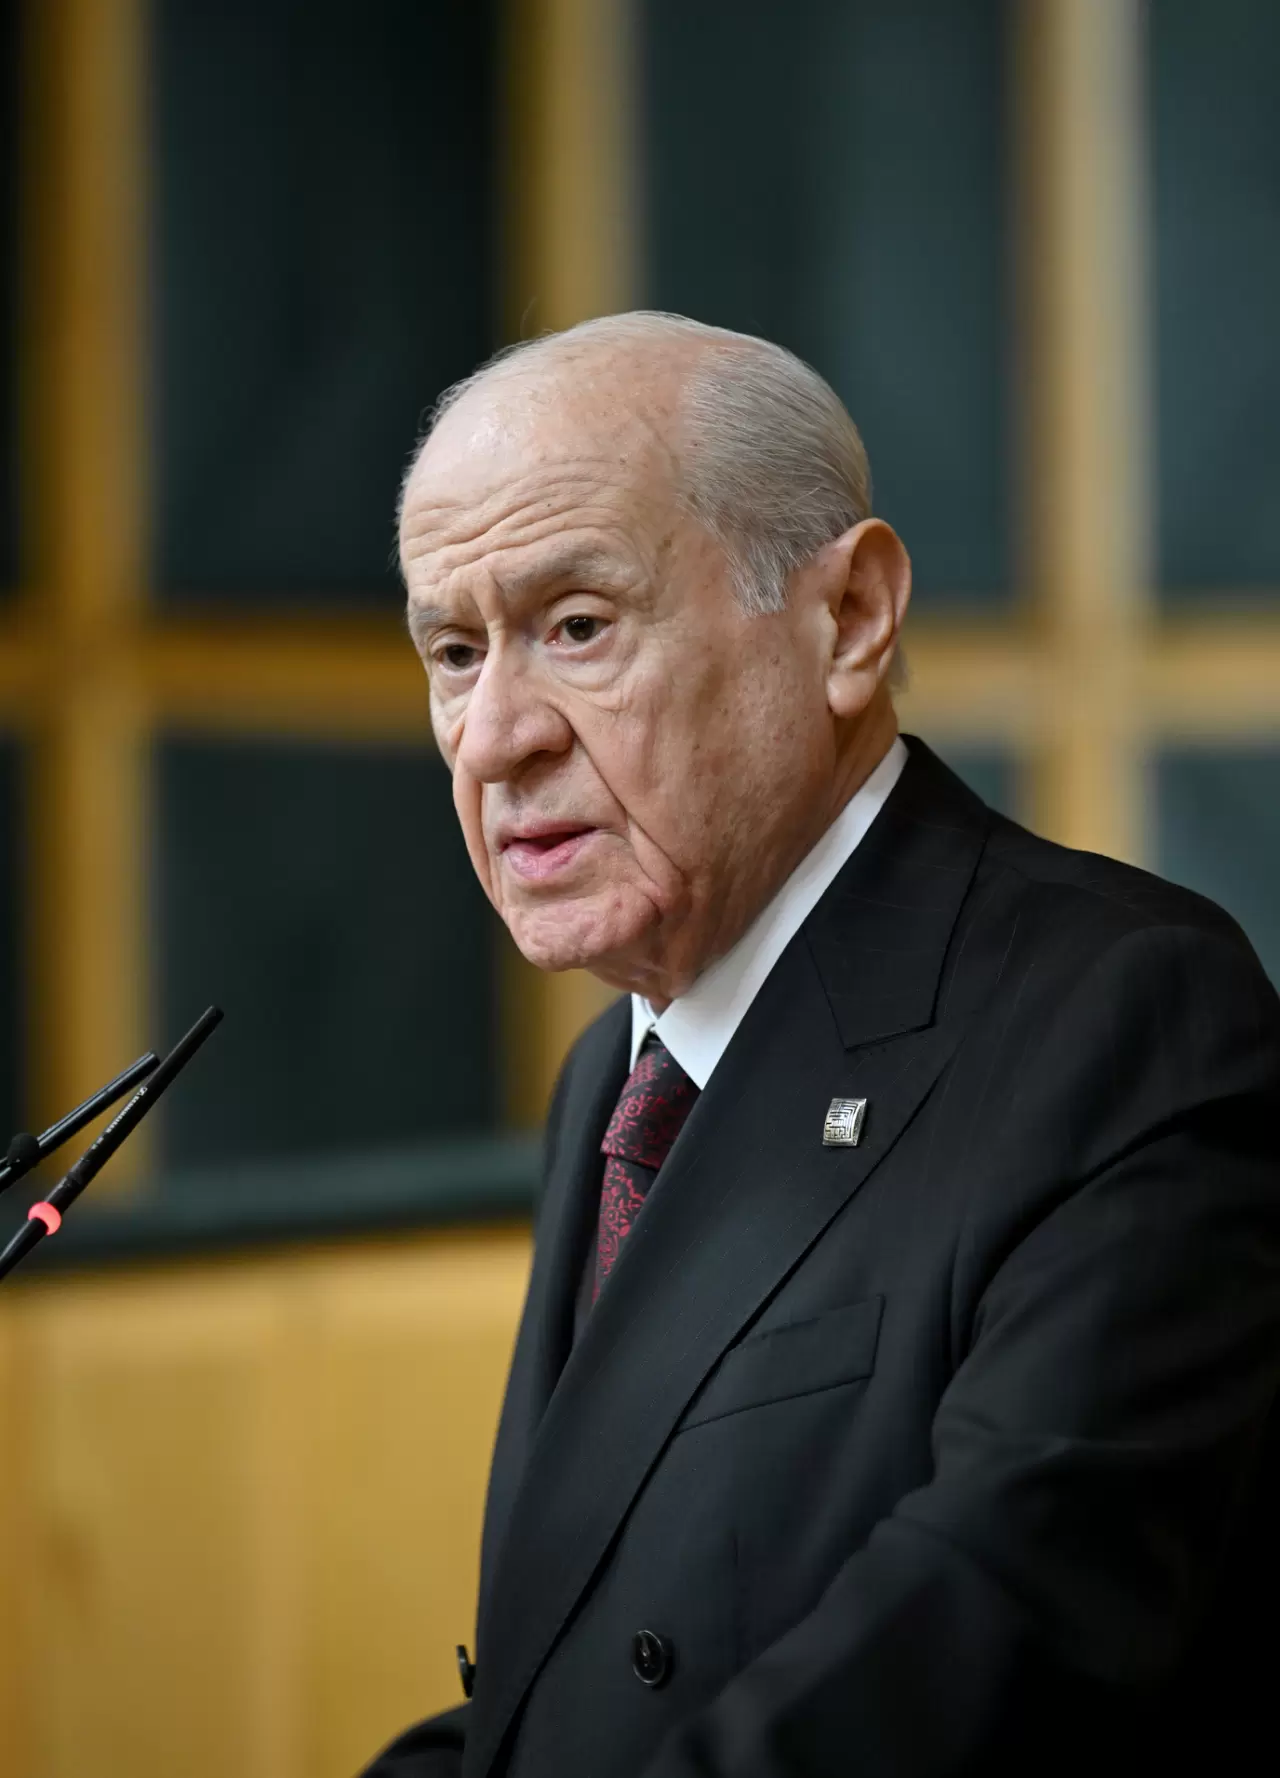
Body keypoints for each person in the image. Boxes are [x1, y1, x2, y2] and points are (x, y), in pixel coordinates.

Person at [361, 314, 1280, 1778]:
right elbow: (573, 1682)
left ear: (849, 618)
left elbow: (981, 1654)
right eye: (455, 653)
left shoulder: (1125, 1017)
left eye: (578, 626)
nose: (492, 738)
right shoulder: (614, 1080)